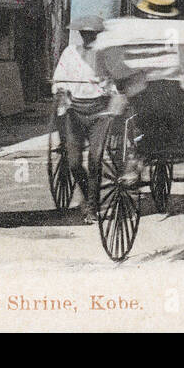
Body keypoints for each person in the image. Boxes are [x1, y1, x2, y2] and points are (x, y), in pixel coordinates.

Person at [50, 15, 123, 224]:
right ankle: (86, 193)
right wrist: (61, 90)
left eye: (92, 34)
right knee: (73, 163)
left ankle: (92, 206)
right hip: (75, 111)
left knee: (95, 159)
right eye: (85, 34)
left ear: (97, 35)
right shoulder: (70, 53)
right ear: (81, 34)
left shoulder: (106, 54)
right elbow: (59, 79)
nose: (88, 37)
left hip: (99, 112)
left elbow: (115, 82)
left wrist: (110, 86)